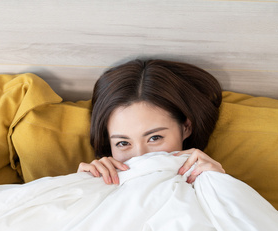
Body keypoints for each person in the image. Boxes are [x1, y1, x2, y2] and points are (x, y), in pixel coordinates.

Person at [78, 59, 225, 185]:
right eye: (123, 143)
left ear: (186, 127)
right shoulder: (93, 183)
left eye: (154, 138)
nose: (140, 156)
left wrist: (221, 185)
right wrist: (79, 186)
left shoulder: (211, 183)